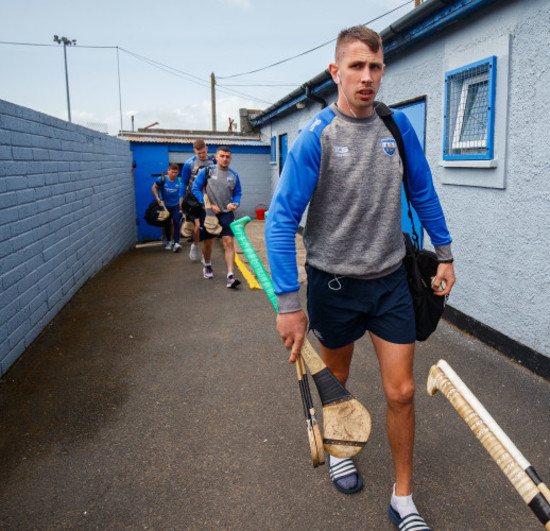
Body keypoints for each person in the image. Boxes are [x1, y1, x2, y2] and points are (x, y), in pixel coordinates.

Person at [265, 26, 456, 530]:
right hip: (334, 285)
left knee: (403, 392)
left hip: (391, 280)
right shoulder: (316, 136)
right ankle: (341, 450)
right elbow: (282, 220)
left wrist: (446, 253)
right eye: (356, 67)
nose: (367, 77)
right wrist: (288, 303)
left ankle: (403, 498)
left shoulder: (396, 129)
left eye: (374, 67)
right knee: (339, 383)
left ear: (382, 71)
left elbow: (424, 191)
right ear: (336, 72)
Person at [191, 146, 242, 288]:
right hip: (209, 214)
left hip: (226, 213)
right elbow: (195, 188)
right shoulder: (207, 172)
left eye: (227, 156)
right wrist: (207, 205)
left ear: (230, 158)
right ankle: (207, 265)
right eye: (222, 156)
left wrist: (235, 203)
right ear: (216, 157)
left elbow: (237, 193)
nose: (225, 159)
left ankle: (230, 276)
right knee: (208, 243)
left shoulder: (234, 175)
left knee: (229, 242)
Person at [180, 139, 216, 262]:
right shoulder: (189, 164)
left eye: (203, 152)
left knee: (209, 225)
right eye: (198, 153)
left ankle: (204, 255)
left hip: (210, 197)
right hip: (194, 198)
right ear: (194, 150)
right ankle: (195, 245)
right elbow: (184, 182)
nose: (201, 155)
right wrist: (181, 199)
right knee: (198, 225)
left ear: (207, 148)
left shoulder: (213, 161)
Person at [152, 163, 184, 253]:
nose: (174, 174)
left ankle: (177, 242)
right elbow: (154, 187)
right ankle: (169, 241)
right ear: (168, 171)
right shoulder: (162, 179)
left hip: (176, 205)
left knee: (177, 222)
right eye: (172, 172)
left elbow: (182, 192)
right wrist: (158, 198)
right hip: (165, 205)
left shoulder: (179, 181)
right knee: (167, 223)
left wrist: (182, 202)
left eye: (176, 173)